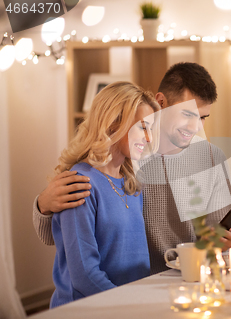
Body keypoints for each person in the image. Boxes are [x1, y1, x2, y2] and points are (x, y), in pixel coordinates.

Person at [33, 63, 231, 274]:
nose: (195, 127)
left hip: (192, 278)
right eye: (187, 114)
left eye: (202, 118)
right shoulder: (127, 155)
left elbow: (223, 238)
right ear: (161, 102)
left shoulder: (212, 157)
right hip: (137, 284)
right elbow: (58, 237)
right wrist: (43, 206)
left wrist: (225, 242)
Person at [50, 82, 159, 307]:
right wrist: (130, 308)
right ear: (113, 124)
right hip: (87, 311)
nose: (149, 138)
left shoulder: (132, 184)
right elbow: (85, 276)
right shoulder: (80, 182)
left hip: (130, 305)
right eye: (143, 127)